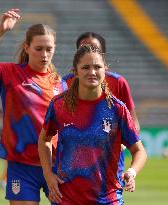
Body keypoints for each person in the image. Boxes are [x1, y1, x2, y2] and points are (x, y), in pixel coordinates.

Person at [0, 8, 67, 205]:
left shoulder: (61, 83)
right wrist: (1, 31)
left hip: (57, 164)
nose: (44, 54)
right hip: (22, 166)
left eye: (49, 49)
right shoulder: (10, 73)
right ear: (27, 47)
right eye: (38, 48)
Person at [38, 44, 147, 205]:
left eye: (97, 67)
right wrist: (48, 175)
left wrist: (131, 172)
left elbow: (139, 151)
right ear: (75, 72)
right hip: (66, 199)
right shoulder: (59, 105)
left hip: (108, 199)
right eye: (85, 67)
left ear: (105, 70)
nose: (92, 72)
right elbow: (44, 140)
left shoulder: (117, 109)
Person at [62, 32, 140, 182]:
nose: (89, 51)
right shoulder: (65, 83)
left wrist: (124, 143)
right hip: (73, 162)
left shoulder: (118, 82)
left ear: (102, 55)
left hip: (109, 161)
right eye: (83, 48)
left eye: (94, 48)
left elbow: (132, 121)